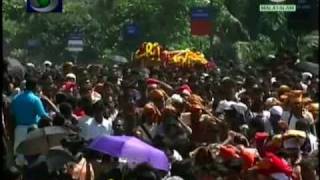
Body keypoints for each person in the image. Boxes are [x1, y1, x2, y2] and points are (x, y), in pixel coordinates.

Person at [10, 77, 50, 166]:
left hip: (19, 129)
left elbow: (11, 113)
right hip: (32, 130)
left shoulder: (16, 98)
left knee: (19, 158)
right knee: (32, 159)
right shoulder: (35, 99)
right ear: (35, 87)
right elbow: (43, 115)